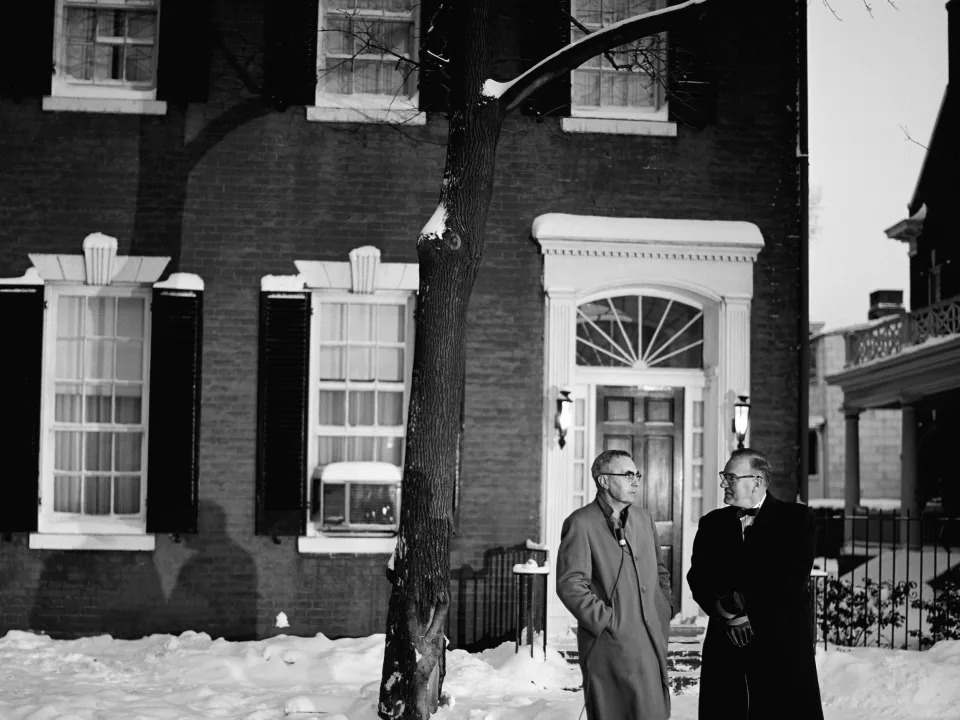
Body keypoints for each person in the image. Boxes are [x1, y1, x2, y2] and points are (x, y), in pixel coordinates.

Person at [686, 448, 823, 720]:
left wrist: (746, 609)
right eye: (723, 476)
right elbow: (698, 577)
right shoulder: (712, 523)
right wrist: (727, 613)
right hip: (726, 646)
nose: (724, 483)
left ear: (757, 481)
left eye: (730, 477)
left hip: (779, 645)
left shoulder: (797, 519)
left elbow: (791, 579)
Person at [556, 449, 673, 720]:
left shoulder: (644, 518)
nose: (635, 481)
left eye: (637, 475)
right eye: (627, 474)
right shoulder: (581, 523)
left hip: (650, 634)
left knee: (653, 711)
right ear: (604, 481)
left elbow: (659, 569)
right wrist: (608, 621)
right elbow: (570, 583)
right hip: (610, 642)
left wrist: (663, 606)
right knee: (616, 711)